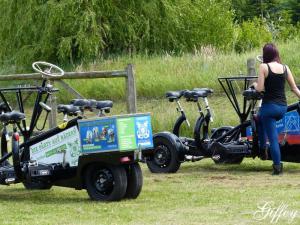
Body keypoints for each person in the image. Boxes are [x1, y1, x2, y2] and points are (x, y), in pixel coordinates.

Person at [253, 43, 300, 175]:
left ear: (265, 55)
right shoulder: (285, 68)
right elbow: (294, 88)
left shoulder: (263, 66)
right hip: (282, 108)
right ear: (276, 54)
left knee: (273, 139)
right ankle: (262, 148)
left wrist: (255, 84)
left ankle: (277, 167)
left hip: (269, 108)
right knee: (258, 118)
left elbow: (260, 89)